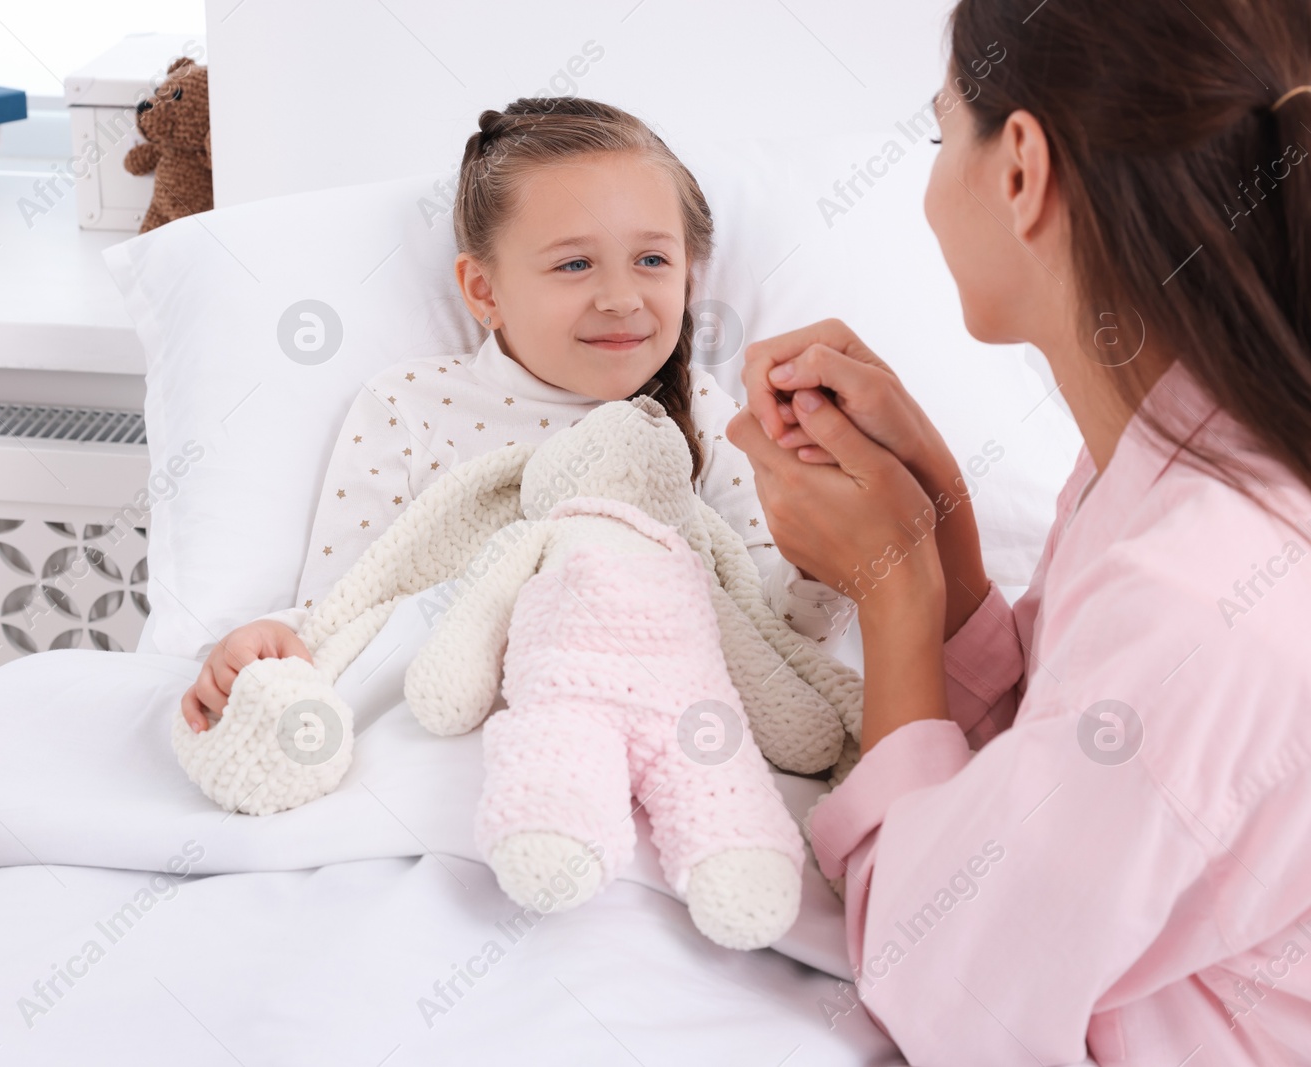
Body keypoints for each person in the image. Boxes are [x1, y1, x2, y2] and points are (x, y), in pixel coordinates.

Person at [726, 0, 1311, 1062]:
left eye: (944, 132)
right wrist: (940, 528)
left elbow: (939, 971)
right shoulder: (1185, 458)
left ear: (1019, 170)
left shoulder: (1201, 599)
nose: (932, 185)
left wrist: (890, 595)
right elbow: (1062, 756)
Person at [181, 96, 851, 734]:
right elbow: (349, 610)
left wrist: (824, 565)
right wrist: (265, 647)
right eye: (574, 263)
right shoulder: (409, 407)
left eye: (651, 259)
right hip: (445, 733)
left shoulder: (703, 413)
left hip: (650, 725)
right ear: (484, 290)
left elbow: (773, 628)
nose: (620, 297)